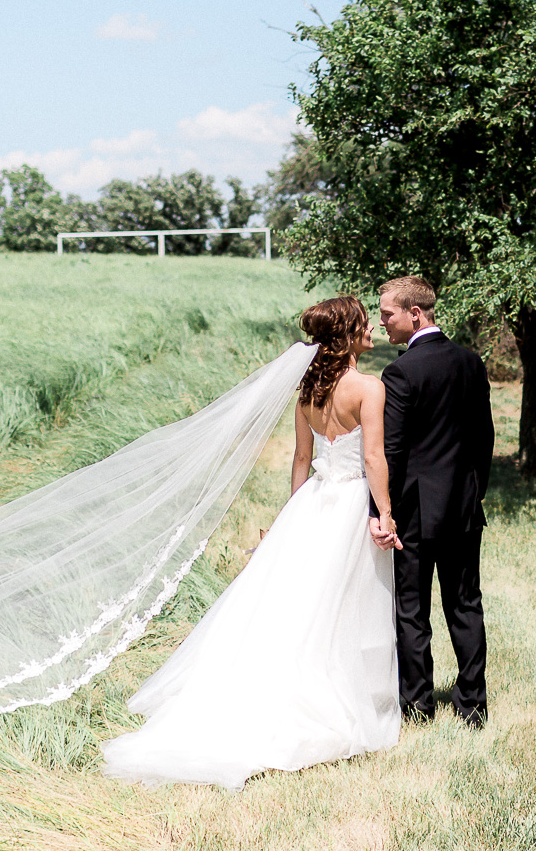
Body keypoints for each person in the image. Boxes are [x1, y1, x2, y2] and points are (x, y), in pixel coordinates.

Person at [99, 296, 401, 789]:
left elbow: (301, 461)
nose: (371, 328)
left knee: (298, 605)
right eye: (365, 323)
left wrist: (291, 519)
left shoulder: (306, 391)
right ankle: (336, 698)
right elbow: (372, 458)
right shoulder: (368, 388)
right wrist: (384, 514)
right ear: (348, 335)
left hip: (313, 504)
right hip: (347, 506)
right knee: (344, 604)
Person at [370, 275, 494, 728]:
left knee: (412, 608)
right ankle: (473, 706)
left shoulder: (401, 372)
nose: (382, 322)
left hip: (415, 510)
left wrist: (379, 510)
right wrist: (474, 490)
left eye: (388, 314)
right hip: (463, 506)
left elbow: (393, 451)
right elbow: (484, 436)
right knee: (465, 604)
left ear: (414, 314)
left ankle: (419, 706)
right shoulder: (470, 361)